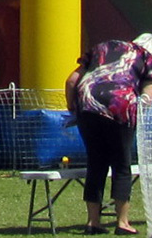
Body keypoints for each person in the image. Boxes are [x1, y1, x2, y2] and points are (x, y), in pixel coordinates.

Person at [66, 35, 152, 235]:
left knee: (96, 164)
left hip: (87, 105)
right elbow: (148, 91)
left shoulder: (101, 48)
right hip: (120, 105)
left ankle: (92, 222)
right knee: (121, 164)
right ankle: (122, 223)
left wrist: (72, 108)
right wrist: (144, 102)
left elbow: (71, 81)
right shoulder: (145, 57)